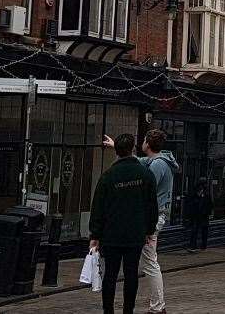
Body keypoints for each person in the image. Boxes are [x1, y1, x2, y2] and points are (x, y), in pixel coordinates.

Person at [90, 134, 158, 314]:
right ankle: (128, 310)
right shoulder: (145, 174)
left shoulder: (108, 176)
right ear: (133, 149)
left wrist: (95, 235)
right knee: (131, 274)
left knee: (110, 275)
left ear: (117, 152)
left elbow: (98, 206)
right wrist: (150, 230)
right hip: (135, 234)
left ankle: (108, 311)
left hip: (111, 234)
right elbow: (152, 206)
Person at [138, 130, 177, 314]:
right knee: (149, 261)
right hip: (156, 216)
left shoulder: (158, 165)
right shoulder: (157, 161)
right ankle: (157, 306)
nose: (142, 142)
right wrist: (117, 147)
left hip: (153, 218)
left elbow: (146, 191)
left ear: (148, 143)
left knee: (150, 262)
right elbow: (138, 161)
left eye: (144, 140)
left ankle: (158, 307)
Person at [185, 181, 211, 251]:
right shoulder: (194, 197)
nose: (199, 192)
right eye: (199, 191)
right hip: (196, 217)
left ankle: (203, 246)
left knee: (204, 232)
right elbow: (190, 206)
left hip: (204, 217)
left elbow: (210, 206)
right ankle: (193, 246)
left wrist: (206, 213)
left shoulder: (206, 196)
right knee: (194, 231)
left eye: (201, 190)